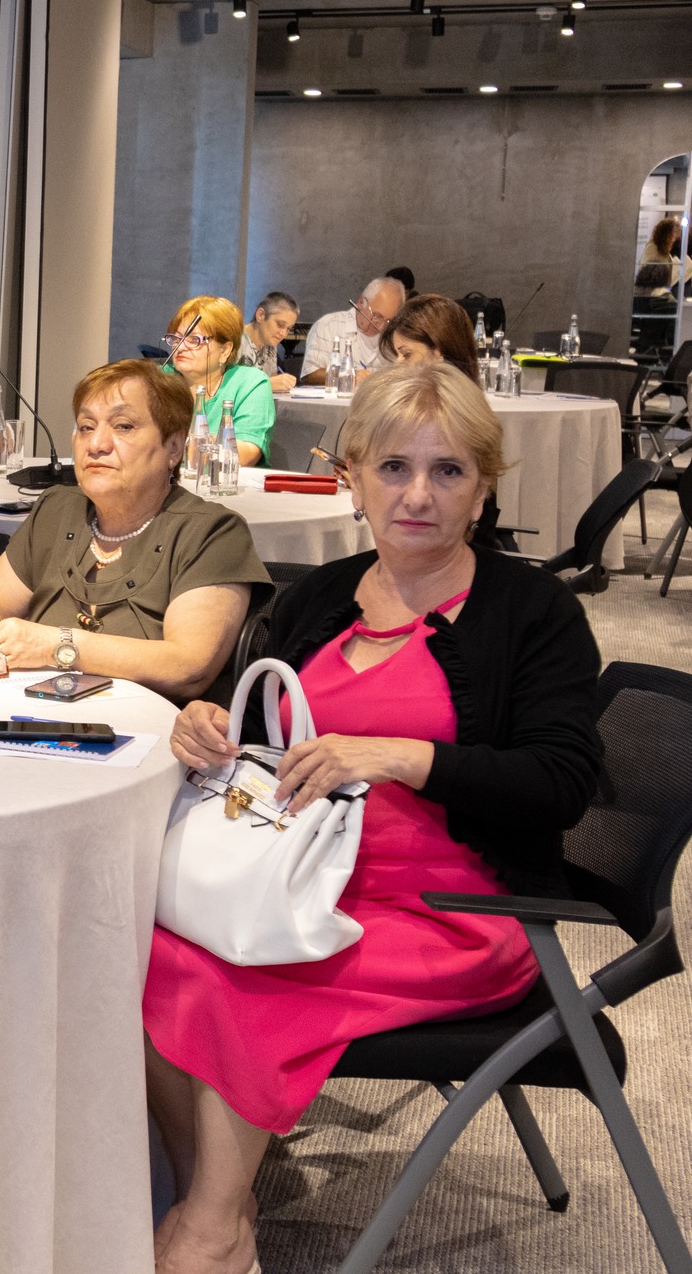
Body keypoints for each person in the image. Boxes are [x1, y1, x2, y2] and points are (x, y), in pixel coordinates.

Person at [146, 363, 603, 1274]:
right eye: (394, 468)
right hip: (303, 875)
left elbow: (563, 782)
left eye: (448, 471)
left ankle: (208, 1229)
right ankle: (218, 1197)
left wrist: (399, 755)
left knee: (251, 975)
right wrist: (208, 726)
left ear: (483, 489)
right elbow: (265, 736)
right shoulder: (321, 595)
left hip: (458, 909)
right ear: (352, 478)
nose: (418, 495)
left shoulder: (532, 611)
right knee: (145, 944)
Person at [0, 359, 269, 702]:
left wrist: (56, 645)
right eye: (86, 427)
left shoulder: (213, 533)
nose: (96, 444)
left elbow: (188, 667)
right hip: (33, 717)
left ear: (173, 446)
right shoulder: (57, 511)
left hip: (150, 728)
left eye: (123, 426)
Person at [375, 294, 508, 549]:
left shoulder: (461, 422)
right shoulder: (466, 411)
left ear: (439, 353)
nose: (398, 365)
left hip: (447, 549)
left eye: (406, 355)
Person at [162, 295, 274, 466]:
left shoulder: (250, 383)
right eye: (176, 338)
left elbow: (245, 454)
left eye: (194, 339)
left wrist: (168, 445)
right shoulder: (158, 379)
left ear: (225, 350)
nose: (180, 347)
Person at [300, 275, 407, 382]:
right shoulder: (328, 326)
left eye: (389, 321)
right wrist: (348, 375)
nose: (381, 326)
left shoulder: (395, 337)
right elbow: (309, 375)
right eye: (377, 316)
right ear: (361, 302)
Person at [237, 291, 300, 394]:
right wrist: (267, 383)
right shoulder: (234, 340)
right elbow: (219, 385)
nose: (283, 333)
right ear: (260, 315)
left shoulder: (270, 344)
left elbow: (273, 382)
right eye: (280, 324)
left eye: (288, 328)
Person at [640, 217, 684, 299]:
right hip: (653, 294)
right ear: (667, 233)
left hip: (660, 291)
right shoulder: (653, 248)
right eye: (674, 232)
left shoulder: (663, 248)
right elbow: (648, 272)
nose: (675, 236)